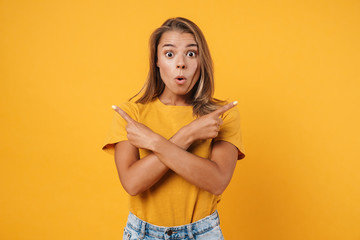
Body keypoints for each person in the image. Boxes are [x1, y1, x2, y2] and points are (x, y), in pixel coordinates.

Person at [102, 17, 245, 240]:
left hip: (202, 233)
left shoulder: (221, 115)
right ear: (156, 61)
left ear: (201, 61)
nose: (181, 64)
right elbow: (132, 183)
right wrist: (188, 135)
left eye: (191, 54)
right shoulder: (132, 114)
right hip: (143, 234)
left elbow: (217, 182)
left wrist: (154, 142)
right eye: (169, 54)